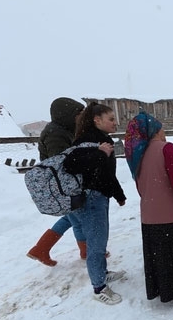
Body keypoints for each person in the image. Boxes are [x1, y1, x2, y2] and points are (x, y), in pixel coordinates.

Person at [125, 111, 173, 305]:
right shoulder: (166, 148)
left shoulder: (137, 153)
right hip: (168, 214)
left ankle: (162, 290)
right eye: (162, 129)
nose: (164, 133)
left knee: (159, 257)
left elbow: (139, 185)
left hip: (149, 215)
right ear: (155, 131)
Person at [63, 102, 127, 305]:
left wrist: (118, 194)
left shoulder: (102, 139)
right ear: (96, 120)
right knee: (96, 243)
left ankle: (103, 273)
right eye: (110, 119)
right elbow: (70, 164)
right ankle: (98, 287)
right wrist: (99, 153)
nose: (114, 123)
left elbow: (106, 173)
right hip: (91, 199)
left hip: (100, 196)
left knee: (100, 239)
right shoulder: (86, 141)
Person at [27, 97, 92, 267]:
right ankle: (86, 251)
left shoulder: (65, 129)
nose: (82, 117)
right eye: (79, 114)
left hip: (66, 183)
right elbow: (61, 160)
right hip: (61, 184)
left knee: (72, 216)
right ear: (68, 115)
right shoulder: (55, 134)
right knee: (76, 217)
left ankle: (41, 248)